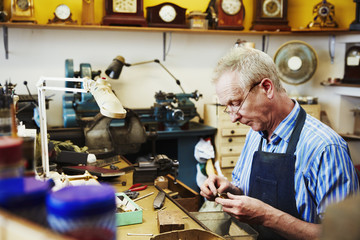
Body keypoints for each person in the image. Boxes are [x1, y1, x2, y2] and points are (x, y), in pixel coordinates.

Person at [200, 46, 359, 240]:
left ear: (267, 88)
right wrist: (229, 189)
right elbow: (247, 189)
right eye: (227, 108)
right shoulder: (255, 133)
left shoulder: (325, 147)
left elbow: (343, 235)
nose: (233, 118)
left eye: (235, 103)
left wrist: (267, 217)